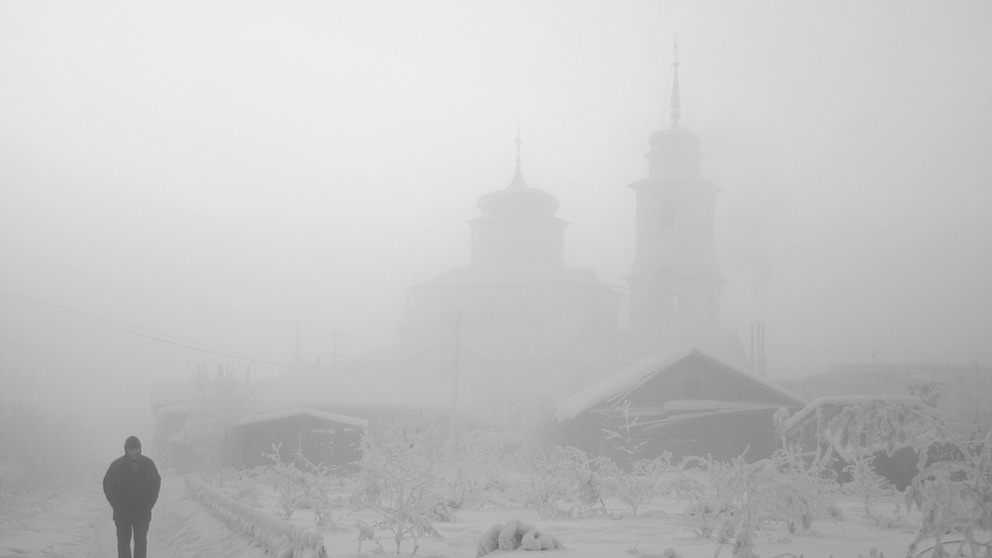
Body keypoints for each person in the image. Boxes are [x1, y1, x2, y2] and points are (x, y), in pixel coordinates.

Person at [103, 435, 161, 558]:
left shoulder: (148, 464)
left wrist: (149, 504)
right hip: (122, 512)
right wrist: (116, 503)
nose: (133, 452)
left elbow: (155, 483)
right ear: (126, 449)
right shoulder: (117, 465)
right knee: (123, 544)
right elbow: (107, 484)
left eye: (136, 449)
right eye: (130, 449)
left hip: (142, 511)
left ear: (140, 449)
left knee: (140, 543)